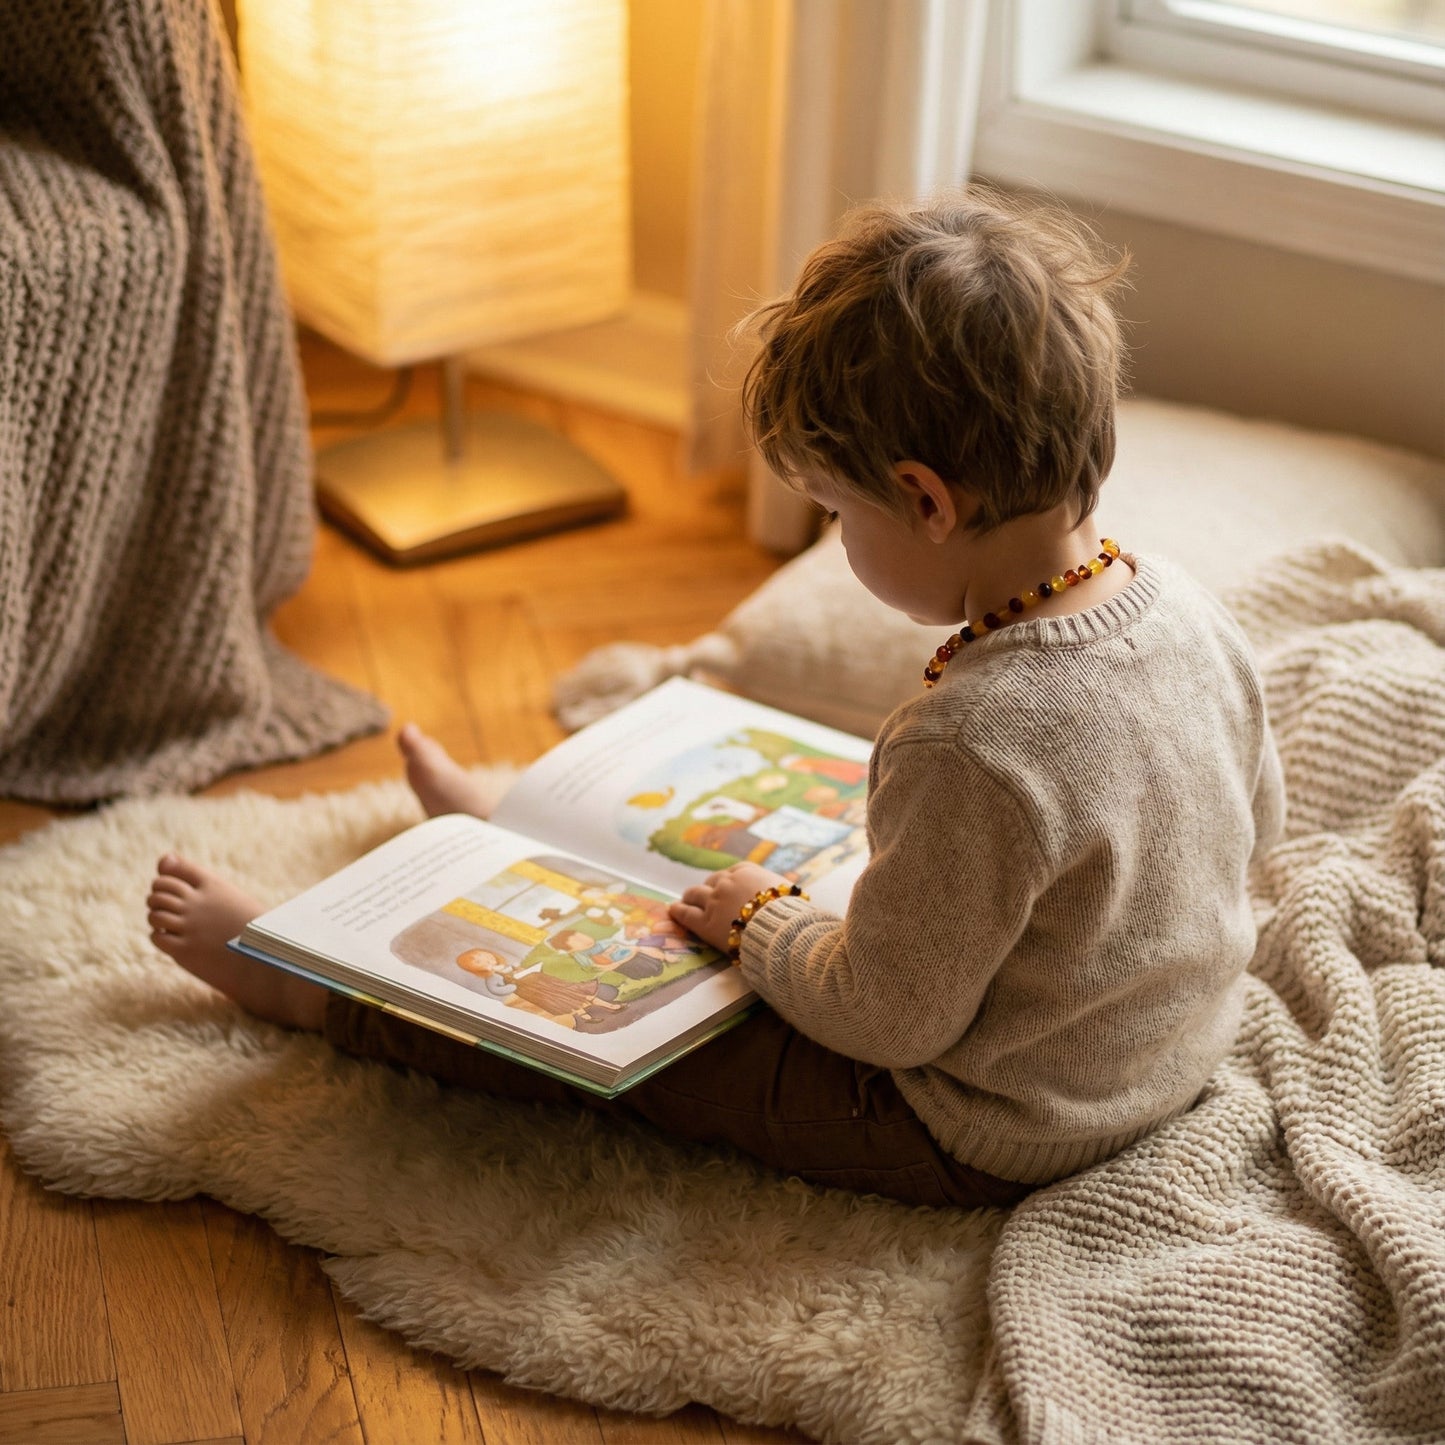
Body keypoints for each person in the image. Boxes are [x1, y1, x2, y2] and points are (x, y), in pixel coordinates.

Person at [146, 186, 1285, 1210]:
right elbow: (1252, 834)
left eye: (836, 513)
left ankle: (312, 989)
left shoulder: (976, 741)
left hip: (986, 1127)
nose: (833, 537)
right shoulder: (1184, 606)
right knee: (840, 857)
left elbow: (889, 1020)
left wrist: (762, 926)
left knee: (629, 1038)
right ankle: (525, 813)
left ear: (924, 501)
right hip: (1163, 1052)